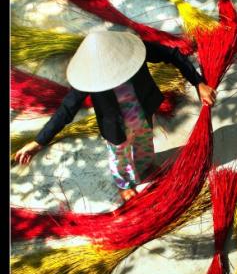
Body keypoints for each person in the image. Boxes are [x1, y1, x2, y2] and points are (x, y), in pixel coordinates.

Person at [14, 31, 216, 202]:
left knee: (145, 144)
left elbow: (172, 54)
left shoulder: (133, 51)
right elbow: (66, 110)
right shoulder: (87, 78)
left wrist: (198, 83)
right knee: (120, 156)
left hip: (142, 111)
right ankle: (124, 183)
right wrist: (38, 142)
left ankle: (145, 166)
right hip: (115, 127)